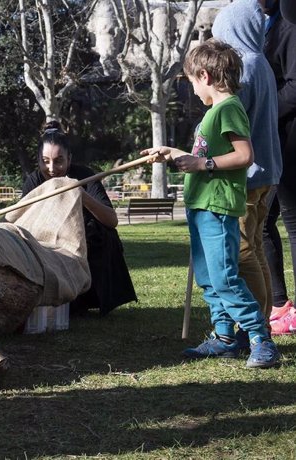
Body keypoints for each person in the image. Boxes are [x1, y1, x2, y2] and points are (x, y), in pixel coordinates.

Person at [142, 39, 280, 368]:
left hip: (218, 209)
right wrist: (175, 154)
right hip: (202, 207)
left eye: (191, 82)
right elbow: (203, 156)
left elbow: (245, 156)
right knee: (208, 278)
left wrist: (203, 165)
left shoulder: (228, 108)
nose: (192, 89)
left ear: (204, 75)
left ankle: (261, 339)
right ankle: (224, 338)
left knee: (225, 278)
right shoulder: (214, 113)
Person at [212, 0, 282, 322]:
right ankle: (263, 316)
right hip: (268, 172)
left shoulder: (246, 68)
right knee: (254, 247)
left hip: (250, 175)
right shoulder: (262, 63)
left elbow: (231, 123)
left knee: (242, 251)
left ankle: (254, 323)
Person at [22, 121, 137, 316]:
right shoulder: (34, 181)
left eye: (59, 160)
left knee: (103, 235)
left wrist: (82, 195)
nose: (51, 168)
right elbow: (21, 219)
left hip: (82, 240)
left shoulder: (84, 176)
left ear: (69, 159)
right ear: (38, 160)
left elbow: (111, 221)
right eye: (45, 161)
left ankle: (86, 299)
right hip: (45, 241)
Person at [261, 0, 296, 335]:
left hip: (289, 139)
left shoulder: (291, 24)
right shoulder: (266, 25)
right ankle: (279, 303)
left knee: (291, 221)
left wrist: (265, 111)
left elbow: (295, 86)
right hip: (274, 141)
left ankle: (284, 307)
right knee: (263, 220)